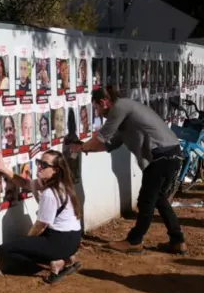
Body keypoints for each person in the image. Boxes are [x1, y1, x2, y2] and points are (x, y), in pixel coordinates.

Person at [71, 86, 185, 254]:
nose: (97, 112)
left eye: (95, 107)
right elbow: (110, 143)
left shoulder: (120, 107)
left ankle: (134, 241)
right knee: (158, 198)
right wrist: (87, 148)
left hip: (161, 157)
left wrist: (80, 147)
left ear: (103, 102)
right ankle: (177, 240)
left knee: (145, 201)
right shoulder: (125, 115)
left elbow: (103, 136)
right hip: (170, 154)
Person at [0, 149, 83, 284]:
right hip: (73, 240)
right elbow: (24, 183)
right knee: (26, 246)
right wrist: (4, 169)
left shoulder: (49, 192)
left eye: (44, 164)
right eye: (39, 162)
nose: (39, 167)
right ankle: (66, 258)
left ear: (55, 170)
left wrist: (26, 242)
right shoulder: (59, 184)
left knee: (5, 251)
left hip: (59, 241)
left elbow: (40, 226)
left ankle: (56, 262)